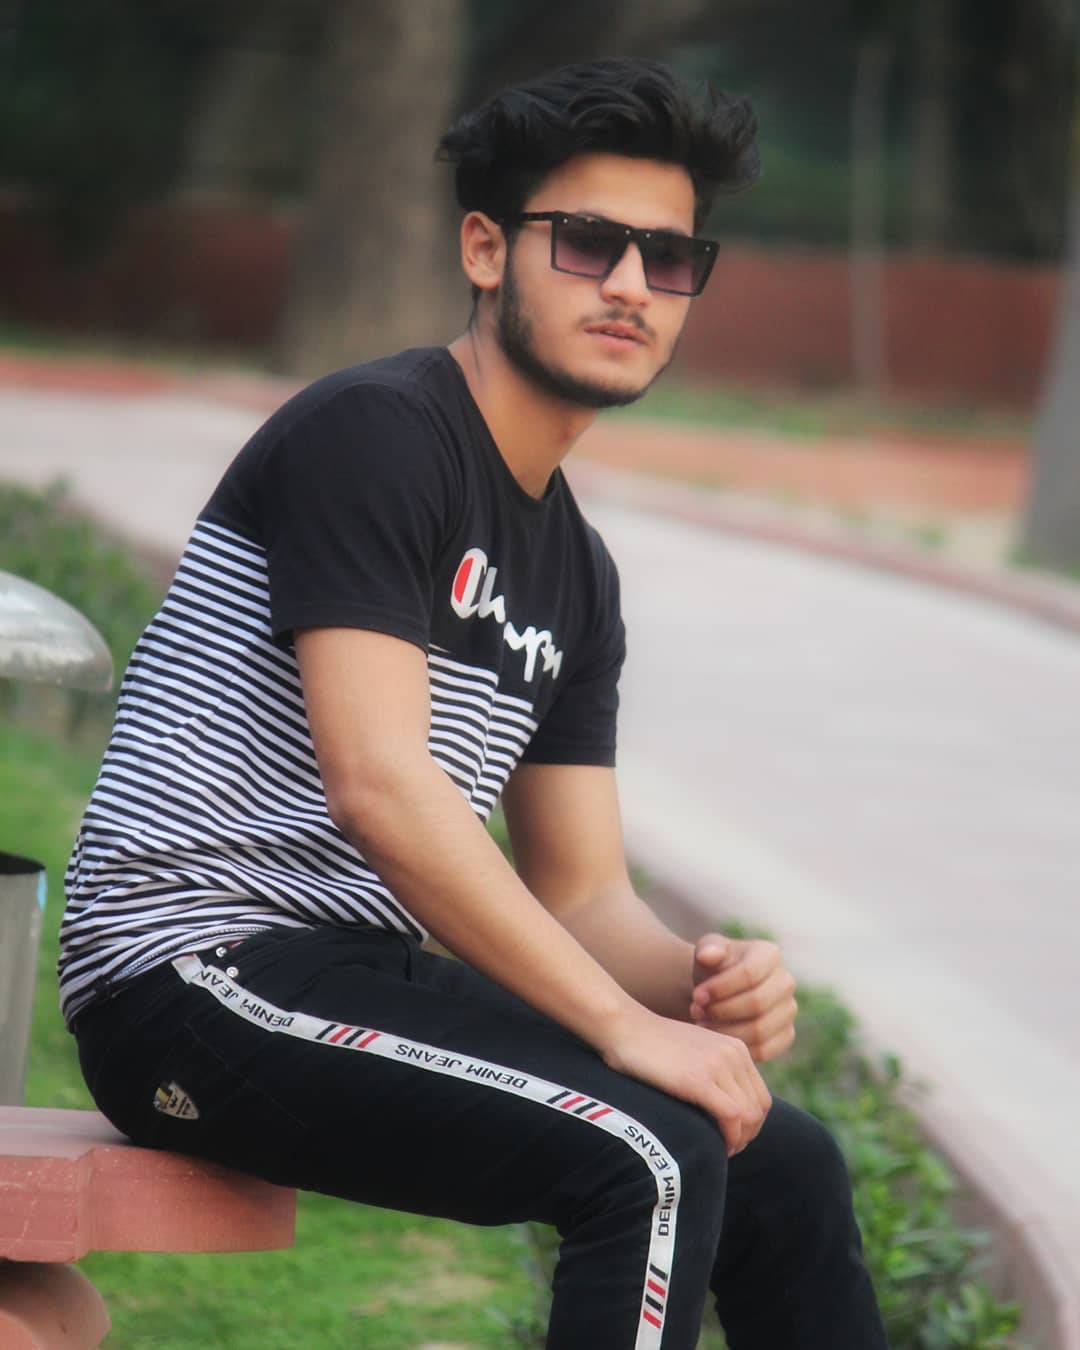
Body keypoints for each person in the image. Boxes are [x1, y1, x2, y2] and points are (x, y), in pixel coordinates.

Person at [60, 58, 887, 1349]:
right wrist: (619, 1029)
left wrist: (697, 983)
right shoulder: (379, 434)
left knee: (787, 1163)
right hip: (188, 973)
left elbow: (583, 894)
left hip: (358, 971)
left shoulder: (578, 572)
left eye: (668, 257)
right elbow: (381, 787)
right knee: (650, 1153)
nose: (630, 284)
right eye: (591, 242)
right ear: (488, 248)